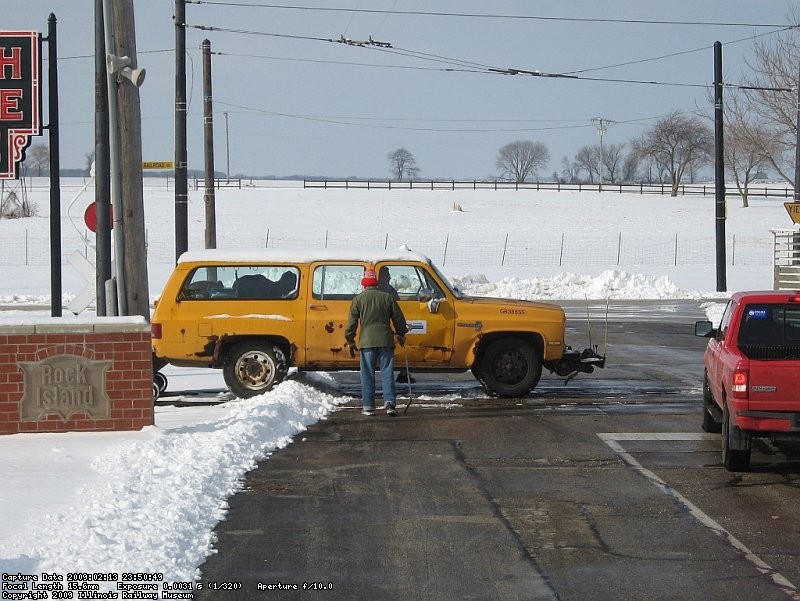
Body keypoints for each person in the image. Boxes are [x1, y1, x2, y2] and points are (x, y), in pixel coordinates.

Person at [345, 268, 408, 416]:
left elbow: (351, 324)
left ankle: (368, 406)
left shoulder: (358, 299)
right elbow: (399, 319)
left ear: (364, 284)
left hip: (367, 342)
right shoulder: (387, 297)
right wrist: (401, 333)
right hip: (386, 340)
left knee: (367, 374)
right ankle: (390, 404)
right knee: (387, 372)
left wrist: (350, 340)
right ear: (376, 283)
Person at [378, 267, 416, 384]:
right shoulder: (387, 293)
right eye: (386, 275)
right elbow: (396, 311)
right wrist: (402, 330)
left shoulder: (387, 290)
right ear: (381, 278)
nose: (389, 277)